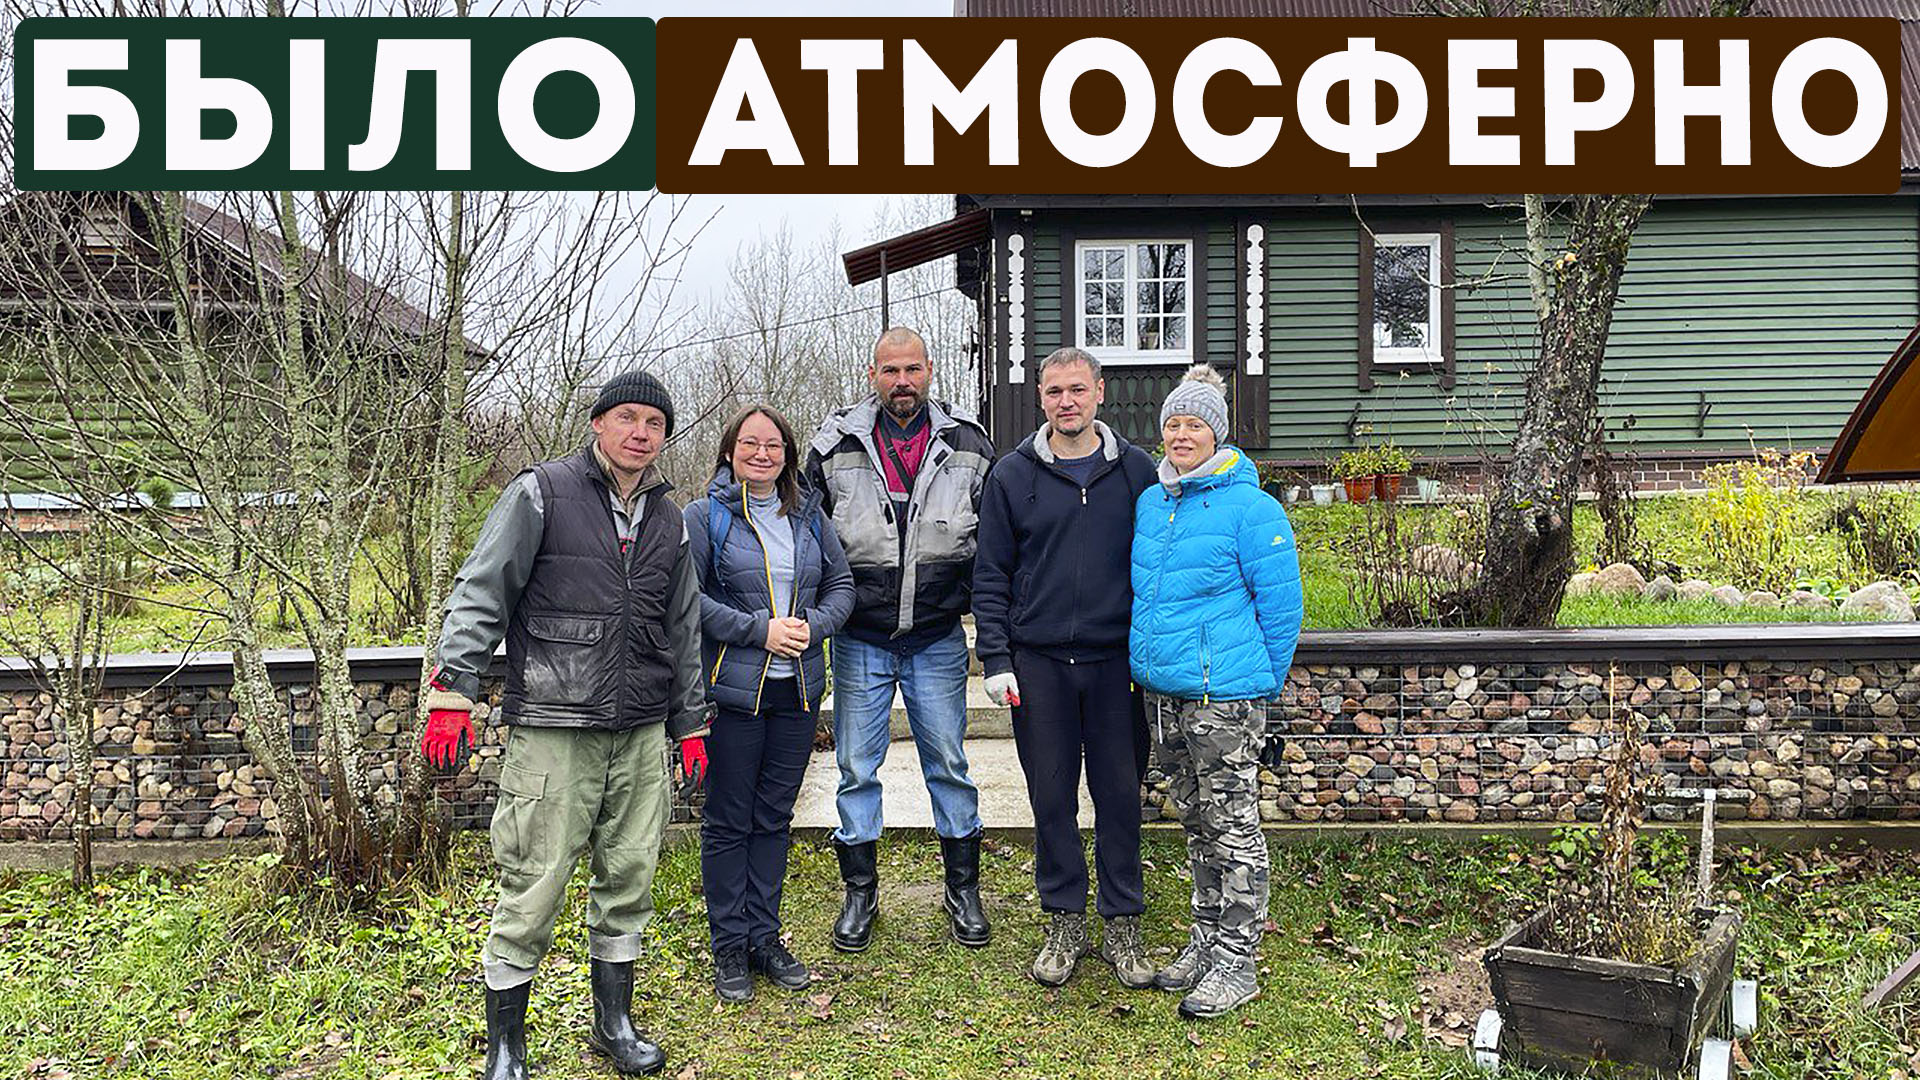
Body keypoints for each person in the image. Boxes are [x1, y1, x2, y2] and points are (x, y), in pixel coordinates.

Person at [421, 370, 712, 1080]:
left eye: (655, 423)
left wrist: (691, 720)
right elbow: (482, 589)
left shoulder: (670, 520)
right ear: (598, 424)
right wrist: (452, 688)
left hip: (640, 730)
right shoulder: (541, 492)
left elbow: (682, 628)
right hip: (555, 726)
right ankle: (506, 1048)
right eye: (628, 418)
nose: (641, 432)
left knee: (629, 878)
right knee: (535, 880)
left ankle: (613, 1024)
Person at [804, 326, 996, 951]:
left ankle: (962, 889)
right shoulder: (832, 446)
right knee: (858, 767)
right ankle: (860, 893)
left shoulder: (968, 443)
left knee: (950, 762)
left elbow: (995, 544)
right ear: (872, 374)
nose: (903, 381)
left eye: (913, 369)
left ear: (930, 370)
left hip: (938, 636)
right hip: (860, 637)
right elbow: (806, 539)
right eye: (891, 371)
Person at [972, 347, 1158, 988]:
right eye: (1054, 392)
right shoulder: (1011, 476)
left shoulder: (1138, 472)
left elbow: (1159, 572)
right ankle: (1064, 918)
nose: (1066, 402)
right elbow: (990, 573)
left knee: (1118, 798)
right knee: (1050, 798)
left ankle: (1122, 922)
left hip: (1116, 666)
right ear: (1041, 398)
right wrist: (996, 657)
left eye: (1077, 389)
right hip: (1040, 663)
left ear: (1101, 392)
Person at [1128, 364, 1303, 1020]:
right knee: (1195, 819)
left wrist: (1259, 684)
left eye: (1193, 424)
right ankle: (1205, 937)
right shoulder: (1153, 501)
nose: (1180, 434)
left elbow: (1281, 610)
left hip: (1223, 696)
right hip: (1163, 692)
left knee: (1233, 826)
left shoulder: (1252, 510)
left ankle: (1239, 957)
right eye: (1172, 423)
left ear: (1217, 433)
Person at [683, 405, 855, 1003]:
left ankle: (765, 937)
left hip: (798, 691)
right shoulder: (705, 517)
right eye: (750, 443)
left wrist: (814, 623)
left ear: (787, 452)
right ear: (730, 450)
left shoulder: (808, 515)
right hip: (735, 692)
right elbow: (690, 602)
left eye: (774, 444)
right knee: (730, 819)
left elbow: (842, 586)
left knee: (774, 818)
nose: (762, 453)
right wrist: (760, 630)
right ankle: (729, 945)